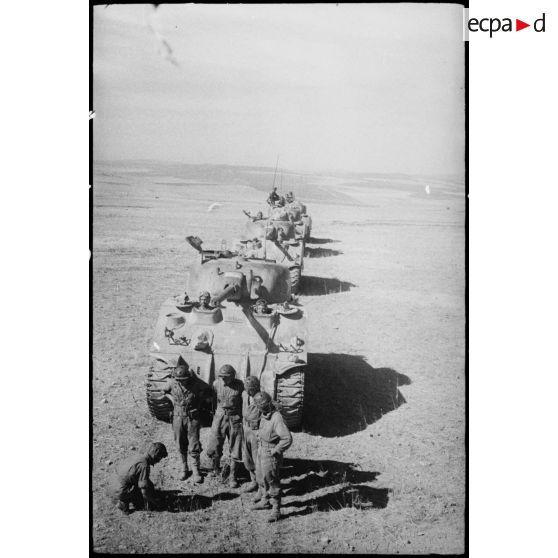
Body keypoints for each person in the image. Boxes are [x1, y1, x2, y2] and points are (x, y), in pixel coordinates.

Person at [158, 363, 210, 483]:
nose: (181, 382)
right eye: (179, 380)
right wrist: (173, 401)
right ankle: (184, 468)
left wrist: (198, 404)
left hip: (192, 418)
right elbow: (164, 391)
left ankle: (196, 469)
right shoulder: (172, 383)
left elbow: (207, 391)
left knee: (194, 444)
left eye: (184, 380)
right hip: (177, 417)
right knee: (180, 443)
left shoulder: (196, 385)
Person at [251, 391, 292, 521]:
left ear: (268, 404)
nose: (260, 409)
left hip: (270, 453)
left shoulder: (277, 417)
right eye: (259, 407)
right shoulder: (264, 415)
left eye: (262, 406)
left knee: (272, 480)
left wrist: (276, 450)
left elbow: (286, 438)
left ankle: (276, 509)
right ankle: (265, 501)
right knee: (260, 477)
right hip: (261, 449)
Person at [206, 364, 244, 488]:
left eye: (226, 377)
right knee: (214, 444)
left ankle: (233, 476)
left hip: (235, 417)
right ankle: (215, 469)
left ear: (233, 376)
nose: (223, 379)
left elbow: (245, 401)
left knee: (236, 447)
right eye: (221, 377)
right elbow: (212, 400)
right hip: (220, 416)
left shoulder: (240, 385)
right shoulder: (216, 384)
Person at [107, 442, 168, 514]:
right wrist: (156, 503)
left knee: (147, 484)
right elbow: (145, 492)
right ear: (155, 454)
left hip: (111, 485)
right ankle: (123, 503)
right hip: (119, 491)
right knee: (144, 491)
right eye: (159, 458)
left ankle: (120, 497)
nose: (159, 461)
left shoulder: (138, 456)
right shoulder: (144, 466)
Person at [241, 376, 262, 492]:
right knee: (247, 458)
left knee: (257, 460)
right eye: (247, 388)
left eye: (251, 389)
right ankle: (253, 481)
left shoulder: (261, 397)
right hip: (246, 429)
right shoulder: (244, 395)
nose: (249, 391)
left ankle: (261, 487)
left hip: (256, 431)